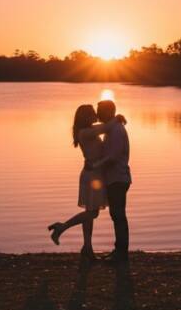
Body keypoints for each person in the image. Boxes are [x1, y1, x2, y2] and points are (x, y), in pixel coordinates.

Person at [47, 104, 126, 260]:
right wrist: (117, 118)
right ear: (85, 116)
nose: (95, 115)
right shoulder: (85, 132)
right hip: (91, 175)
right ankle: (61, 227)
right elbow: (105, 128)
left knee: (89, 212)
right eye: (91, 113)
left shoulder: (88, 130)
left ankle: (87, 248)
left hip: (94, 174)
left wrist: (115, 121)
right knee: (92, 212)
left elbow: (104, 126)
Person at [96, 100, 132, 264]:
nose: (97, 114)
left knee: (118, 215)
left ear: (109, 111)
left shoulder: (116, 130)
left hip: (118, 178)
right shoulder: (111, 129)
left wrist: (95, 165)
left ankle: (121, 253)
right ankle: (119, 251)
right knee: (116, 215)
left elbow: (114, 157)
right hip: (114, 178)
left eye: (99, 111)